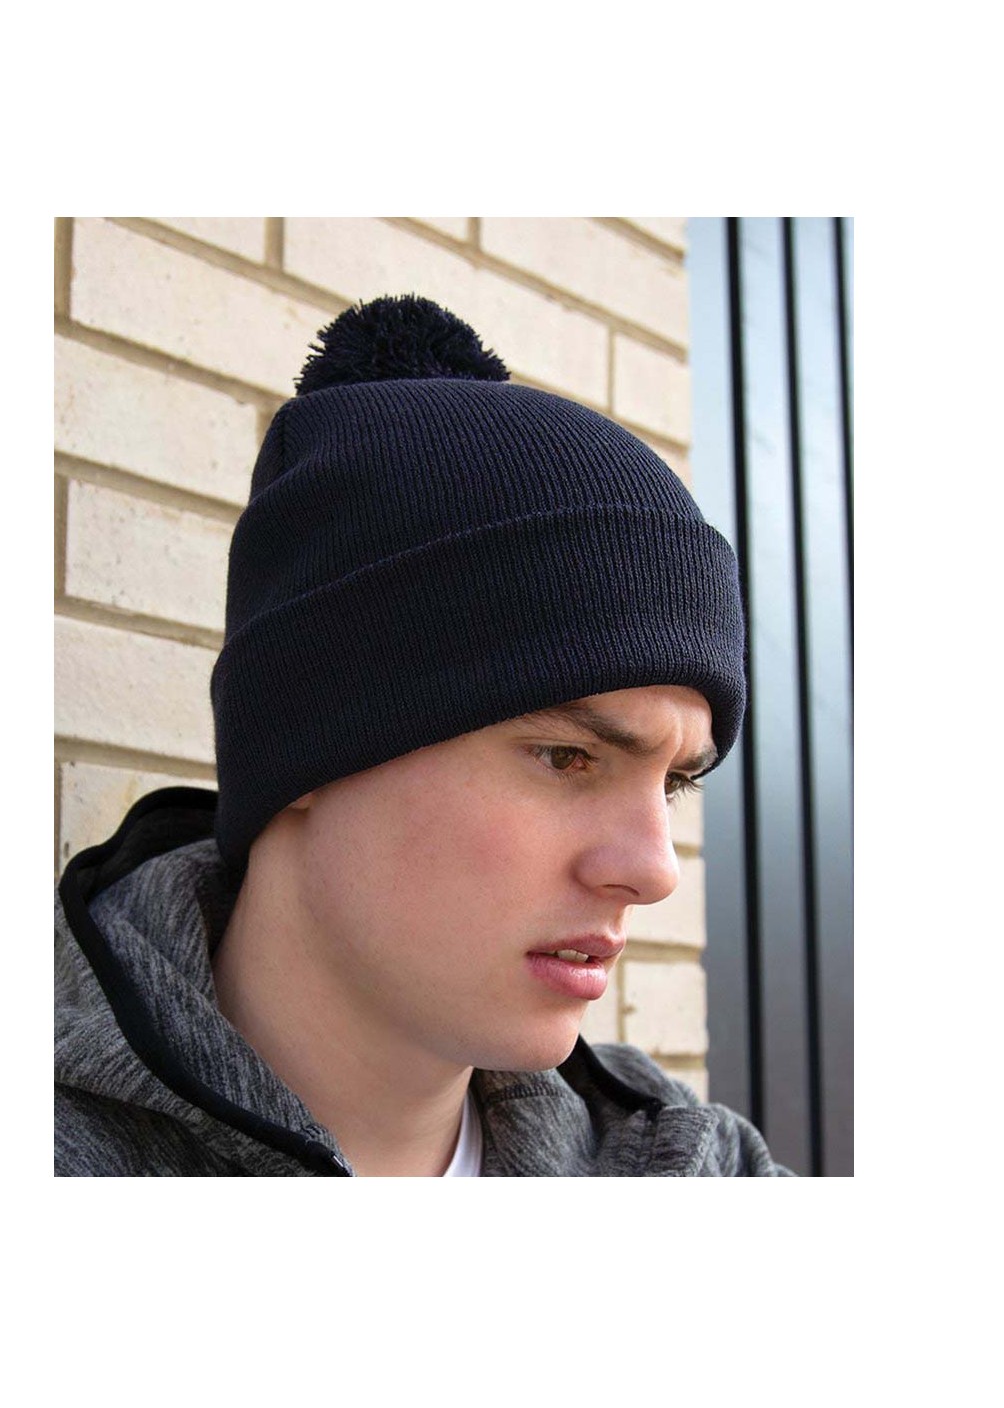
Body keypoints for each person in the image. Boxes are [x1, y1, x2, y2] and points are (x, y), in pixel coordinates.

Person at [55, 294, 792, 1177]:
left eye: (672, 782)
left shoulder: (686, 1164)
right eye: (568, 757)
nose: (654, 870)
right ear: (308, 734)